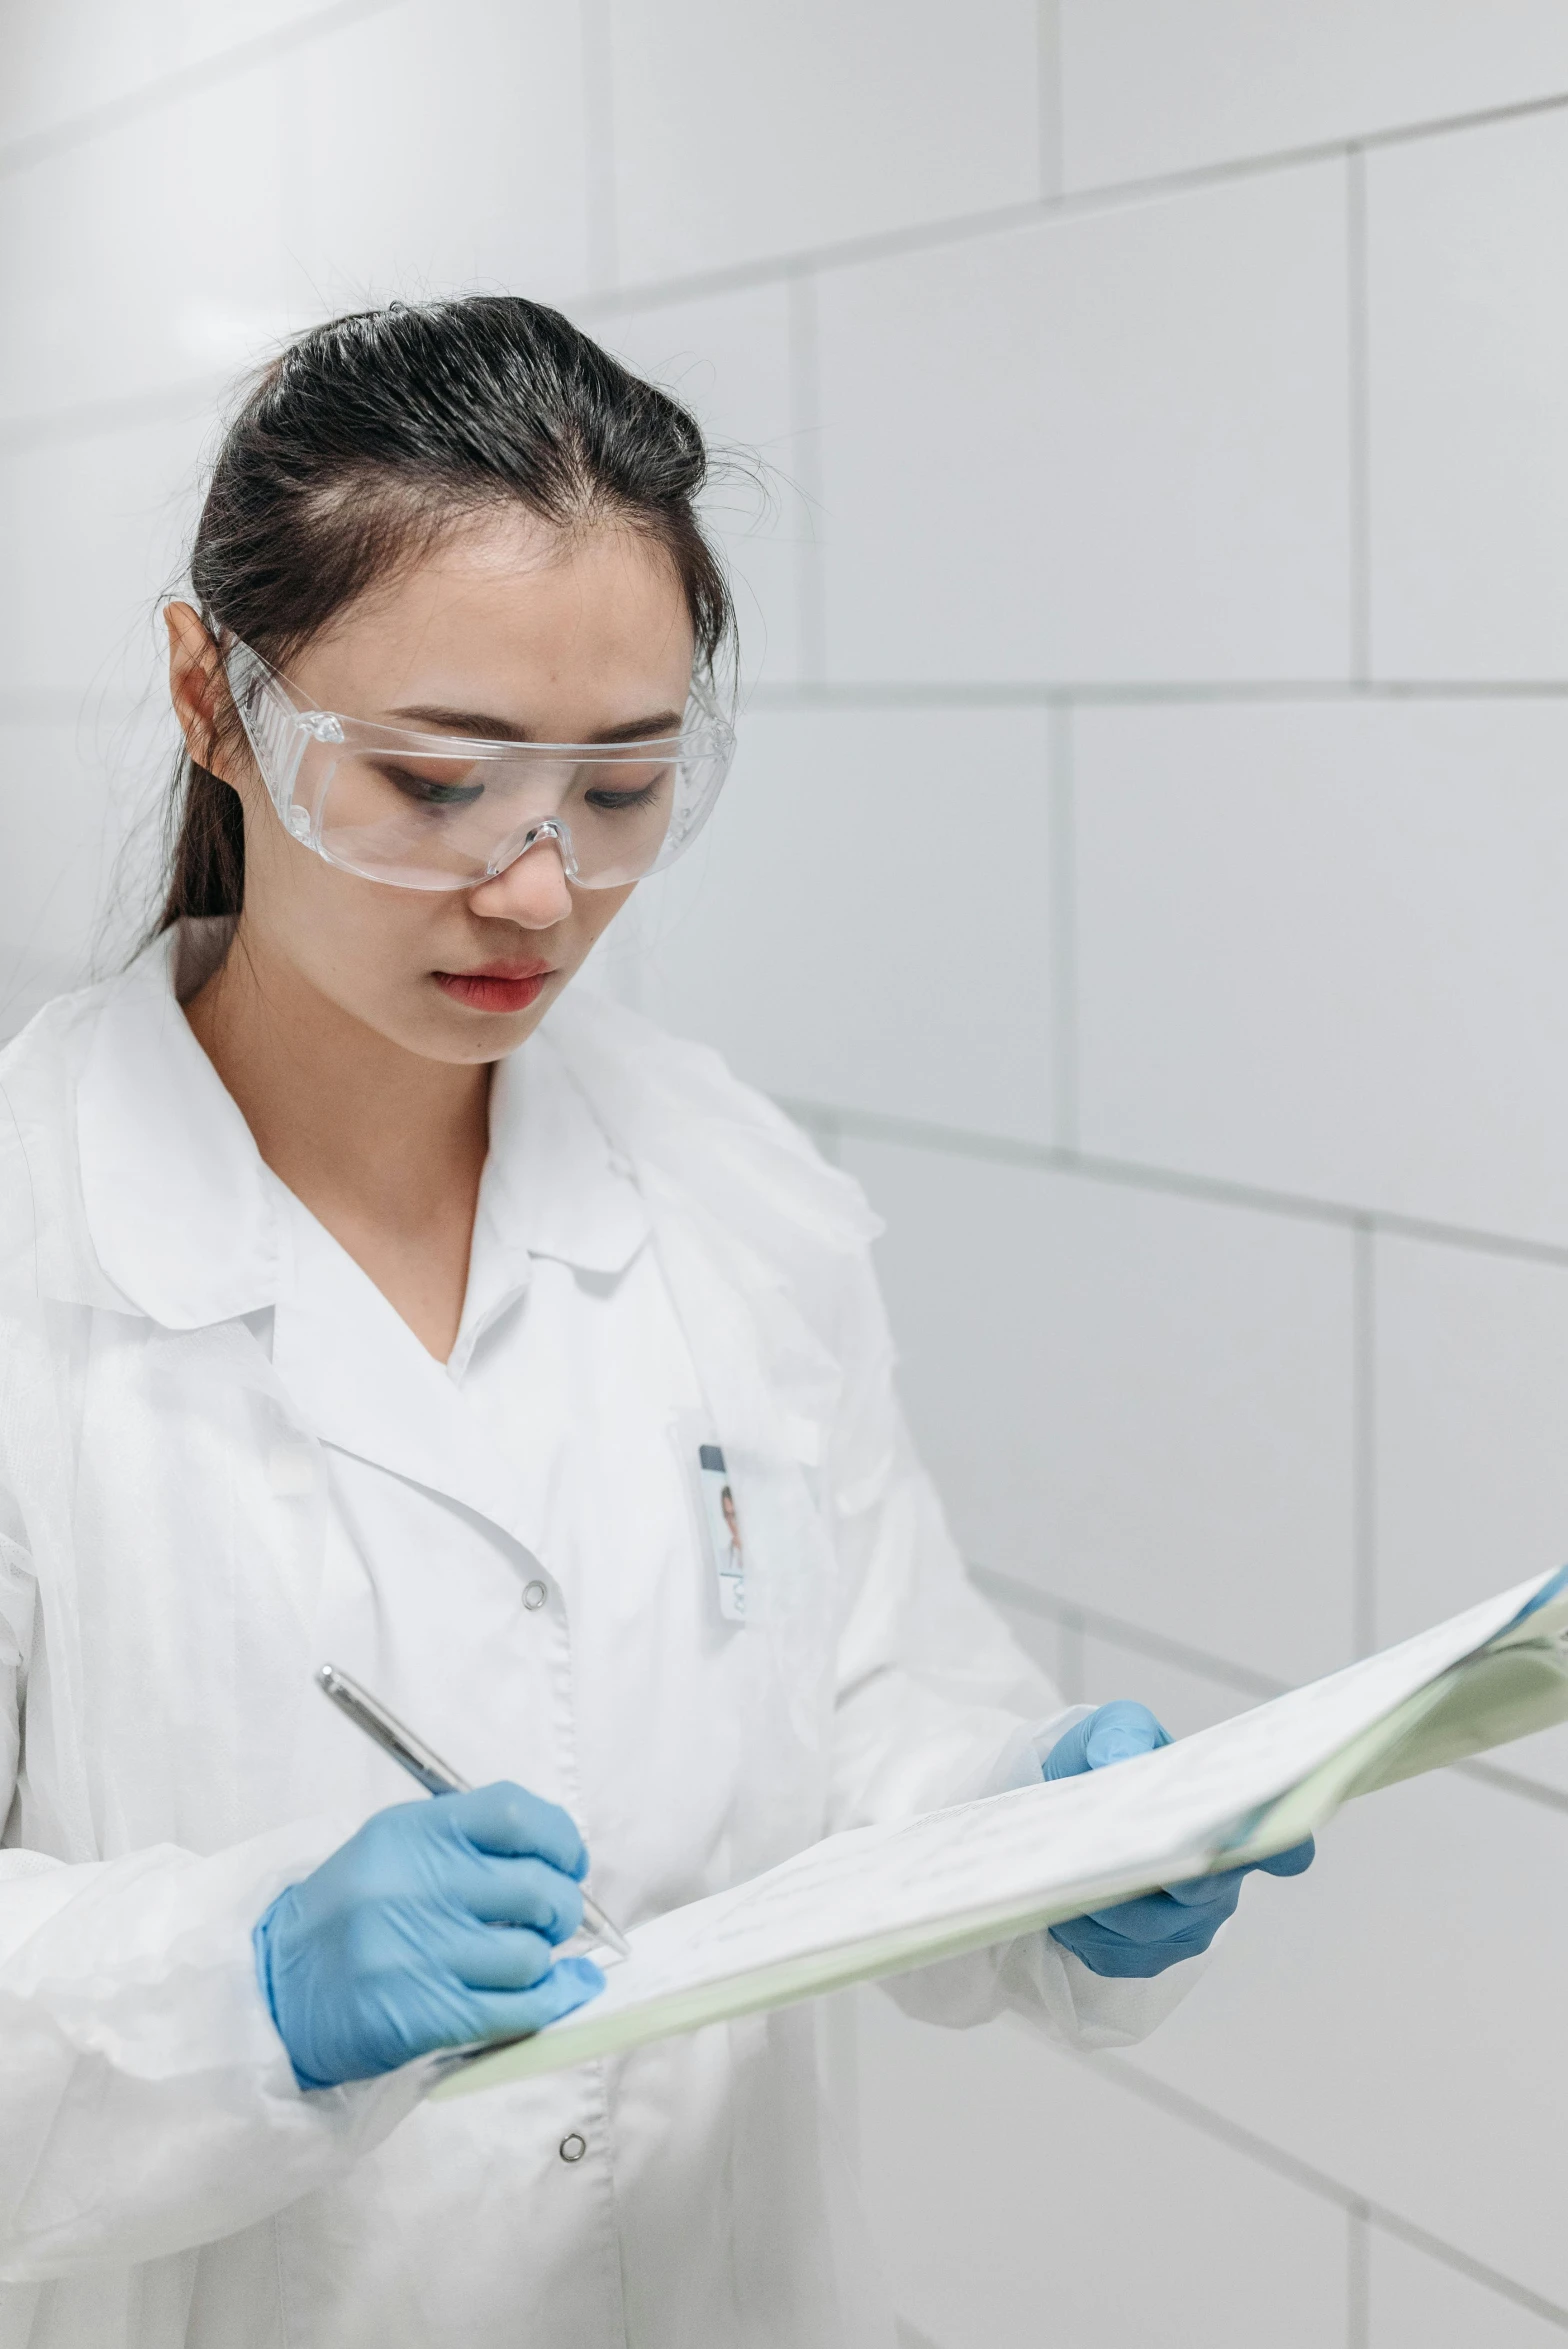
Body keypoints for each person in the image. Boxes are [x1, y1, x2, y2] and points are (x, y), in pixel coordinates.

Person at [0, 297, 1311, 2347]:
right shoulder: (30, 1241)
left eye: (618, 789)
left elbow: (871, 1712)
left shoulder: (726, 1190)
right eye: (431, 781)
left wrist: (1043, 1815)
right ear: (206, 693)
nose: (534, 891)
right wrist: (227, 1979)